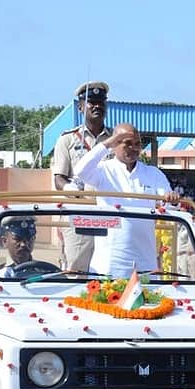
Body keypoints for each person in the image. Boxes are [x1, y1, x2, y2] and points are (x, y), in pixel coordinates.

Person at [72, 123, 179, 277]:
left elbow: (169, 205)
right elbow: (80, 170)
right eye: (127, 143)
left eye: (137, 144)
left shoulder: (152, 173)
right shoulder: (103, 170)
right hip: (109, 263)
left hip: (145, 261)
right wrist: (108, 143)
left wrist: (172, 200)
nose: (133, 148)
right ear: (114, 144)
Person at [51, 81, 111, 272]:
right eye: (91, 102)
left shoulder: (114, 140)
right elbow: (58, 178)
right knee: (78, 267)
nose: (97, 106)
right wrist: (68, 188)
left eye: (101, 103)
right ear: (80, 107)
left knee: (108, 269)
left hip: (108, 213)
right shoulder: (67, 139)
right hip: (79, 212)